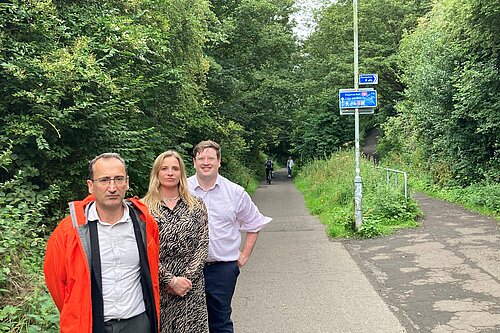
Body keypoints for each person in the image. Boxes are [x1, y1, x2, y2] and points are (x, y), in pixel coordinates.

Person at [44, 153, 160, 333]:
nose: (112, 187)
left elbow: (151, 273)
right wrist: (78, 313)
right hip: (90, 324)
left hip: (137, 323)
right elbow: (56, 282)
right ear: (91, 186)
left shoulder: (145, 223)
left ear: (127, 182)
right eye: (104, 180)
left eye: (118, 179)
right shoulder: (69, 231)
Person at [187, 140, 272, 333]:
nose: (206, 162)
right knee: (189, 320)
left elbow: (255, 222)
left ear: (219, 161)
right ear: (194, 162)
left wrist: (245, 255)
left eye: (210, 158)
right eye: (201, 158)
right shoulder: (182, 189)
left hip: (222, 268)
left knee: (220, 320)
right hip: (187, 268)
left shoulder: (234, 192)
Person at [142, 150, 209, 333]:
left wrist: (185, 280)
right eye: (164, 169)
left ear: (181, 173)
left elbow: (202, 245)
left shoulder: (196, 205)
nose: (170, 173)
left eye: (175, 168)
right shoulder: (143, 209)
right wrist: (169, 281)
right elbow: (143, 251)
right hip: (159, 284)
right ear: (157, 173)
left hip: (191, 285)